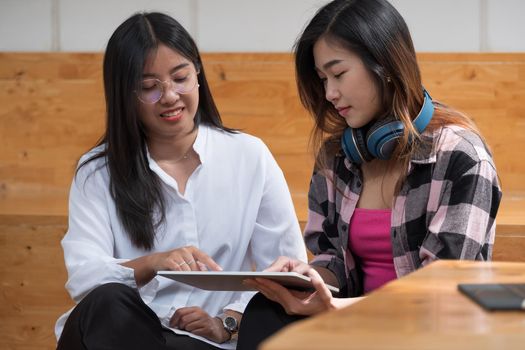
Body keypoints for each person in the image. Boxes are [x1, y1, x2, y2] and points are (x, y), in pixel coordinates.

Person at [236, 0, 502, 348]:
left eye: (339, 74)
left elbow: (440, 294)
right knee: (263, 312)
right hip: (352, 328)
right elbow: (332, 258)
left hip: (432, 334)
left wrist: (337, 310)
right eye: (322, 79)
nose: (330, 93)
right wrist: (310, 279)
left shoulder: (463, 158)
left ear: (385, 64)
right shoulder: (336, 157)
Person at [55, 11, 307, 350]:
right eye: (149, 87)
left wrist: (228, 322)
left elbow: (286, 269)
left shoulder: (249, 156)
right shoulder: (97, 172)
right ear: (125, 95)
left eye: (180, 78)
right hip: (121, 333)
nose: (170, 96)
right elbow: (84, 277)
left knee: (277, 313)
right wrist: (153, 263)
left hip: (208, 342)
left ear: (198, 75)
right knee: (107, 303)